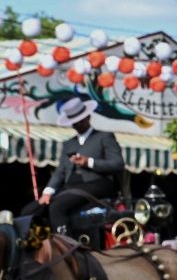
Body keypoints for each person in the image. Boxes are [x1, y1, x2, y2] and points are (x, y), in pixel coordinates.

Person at [18, 96, 123, 239]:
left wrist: (89, 162)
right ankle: (33, 245)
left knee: (58, 206)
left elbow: (117, 164)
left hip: (97, 183)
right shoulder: (69, 144)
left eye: (79, 120)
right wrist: (48, 192)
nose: (77, 124)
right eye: (74, 122)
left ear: (88, 117)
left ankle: (66, 245)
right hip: (70, 186)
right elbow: (60, 171)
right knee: (30, 210)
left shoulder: (104, 137)